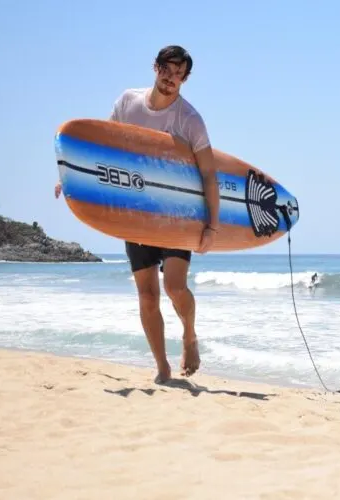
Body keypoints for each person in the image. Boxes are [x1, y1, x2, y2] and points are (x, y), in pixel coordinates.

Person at [55, 45, 219, 383]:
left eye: (179, 75)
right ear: (155, 67)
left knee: (175, 288)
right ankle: (162, 367)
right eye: (167, 70)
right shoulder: (127, 103)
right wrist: (70, 177)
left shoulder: (189, 120)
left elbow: (208, 175)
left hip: (176, 216)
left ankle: (189, 335)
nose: (171, 79)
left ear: (185, 79)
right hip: (135, 214)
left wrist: (211, 226)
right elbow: (102, 149)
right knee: (147, 295)